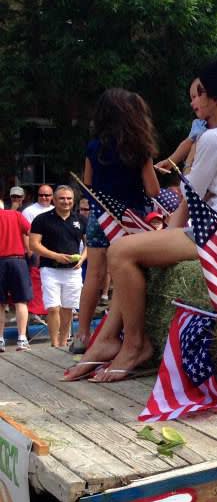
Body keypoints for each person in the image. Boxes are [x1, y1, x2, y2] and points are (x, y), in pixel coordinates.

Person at [63, 60, 217, 382]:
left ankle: (134, 344)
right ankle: (107, 340)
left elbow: (190, 200)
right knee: (135, 252)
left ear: (216, 97)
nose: (195, 100)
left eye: (200, 92)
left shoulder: (215, 139)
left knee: (120, 252)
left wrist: (164, 235)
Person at [73, 88, 161, 355]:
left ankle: (82, 335)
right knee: (127, 275)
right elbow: (153, 191)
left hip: (101, 217)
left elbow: (87, 184)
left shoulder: (93, 147)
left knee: (95, 275)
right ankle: (125, 334)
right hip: (129, 221)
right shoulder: (140, 148)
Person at [29, 185, 85, 348]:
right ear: (54, 199)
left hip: (73, 271)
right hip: (50, 269)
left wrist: (82, 258)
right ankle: (54, 344)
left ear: (73, 201)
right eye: (62, 198)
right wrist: (56, 256)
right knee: (53, 308)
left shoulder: (80, 220)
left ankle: (62, 342)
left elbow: (90, 245)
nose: (66, 201)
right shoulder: (42, 219)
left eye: (69, 199)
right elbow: (34, 244)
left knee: (68, 309)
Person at [154, 78, 207, 175]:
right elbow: (187, 143)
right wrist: (170, 162)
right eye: (191, 98)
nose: (191, 103)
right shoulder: (199, 125)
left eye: (195, 97)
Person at [0, 199, 33, 350]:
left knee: (0, 304)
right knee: (21, 301)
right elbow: (31, 232)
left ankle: (0, 339)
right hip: (17, 260)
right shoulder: (16, 215)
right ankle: (22, 338)